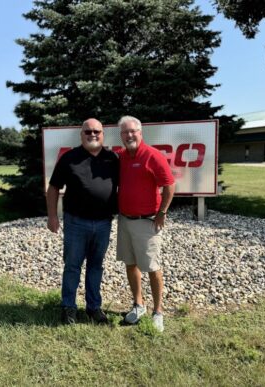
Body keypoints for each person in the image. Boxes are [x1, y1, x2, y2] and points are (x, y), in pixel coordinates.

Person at [46, 118, 119, 325]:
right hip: (76, 223)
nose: (92, 134)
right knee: (72, 266)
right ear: (81, 135)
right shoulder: (69, 157)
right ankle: (68, 307)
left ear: (103, 134)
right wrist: (52, 216)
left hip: (104, 223)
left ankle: (93, 307)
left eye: (97, 131)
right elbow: (53, 188)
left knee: (96, 266)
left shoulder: (113, 159)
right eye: (88, 132)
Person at [116, 115, 175, 332]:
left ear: (141, 133)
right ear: (121, 135)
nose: (129, 135)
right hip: (125, 220)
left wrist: (162, 212)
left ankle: (158, 311)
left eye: (133, 131)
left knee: (152, 268)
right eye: (125, 132)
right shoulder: (121, 157)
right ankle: (138, 305)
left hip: (147, 222)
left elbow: (169, 185)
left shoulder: (153, 156)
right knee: (130, 264)